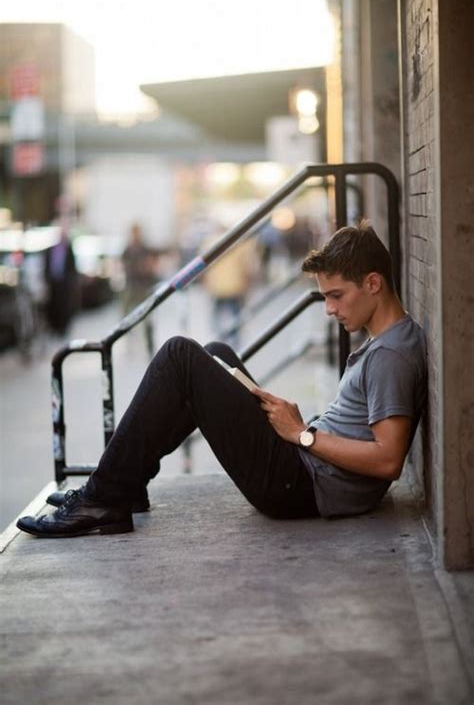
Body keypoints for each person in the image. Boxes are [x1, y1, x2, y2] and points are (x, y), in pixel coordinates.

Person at [17, 221, 427, 538]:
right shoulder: (390, 341)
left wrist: (302, 435)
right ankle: (126, 482)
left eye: (336, 295)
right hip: (304, 468)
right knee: (216, 354)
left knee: (180, 354)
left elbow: (388, 460)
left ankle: (104, 499)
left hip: (296, 485)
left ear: (373, 283)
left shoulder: (391, 356)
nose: (329, 309)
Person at [121, 223, 159, 355]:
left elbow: (152, 267)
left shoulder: (145, 249)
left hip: (144, 288)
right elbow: (123, 266)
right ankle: (129, 343)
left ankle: (150, 347)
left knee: (147, 319)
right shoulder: (127, 250)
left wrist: (147, 267)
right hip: (131, 287)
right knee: (126, 318)